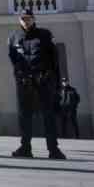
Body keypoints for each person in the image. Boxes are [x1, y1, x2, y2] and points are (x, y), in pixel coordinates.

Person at [9, 9, 66, 159]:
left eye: (28, 18)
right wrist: (19, 77)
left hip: (43, 80)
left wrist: (55, 81)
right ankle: (25, 148)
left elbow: (55, 59)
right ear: (19, 20)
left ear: (33, 19)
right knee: (24, 115)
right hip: (24, 82)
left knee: (48, 115)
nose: (26, 21)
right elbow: (14, 60)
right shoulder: (14, 37)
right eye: (23, 19)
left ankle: (53, 149)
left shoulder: (45, 35)